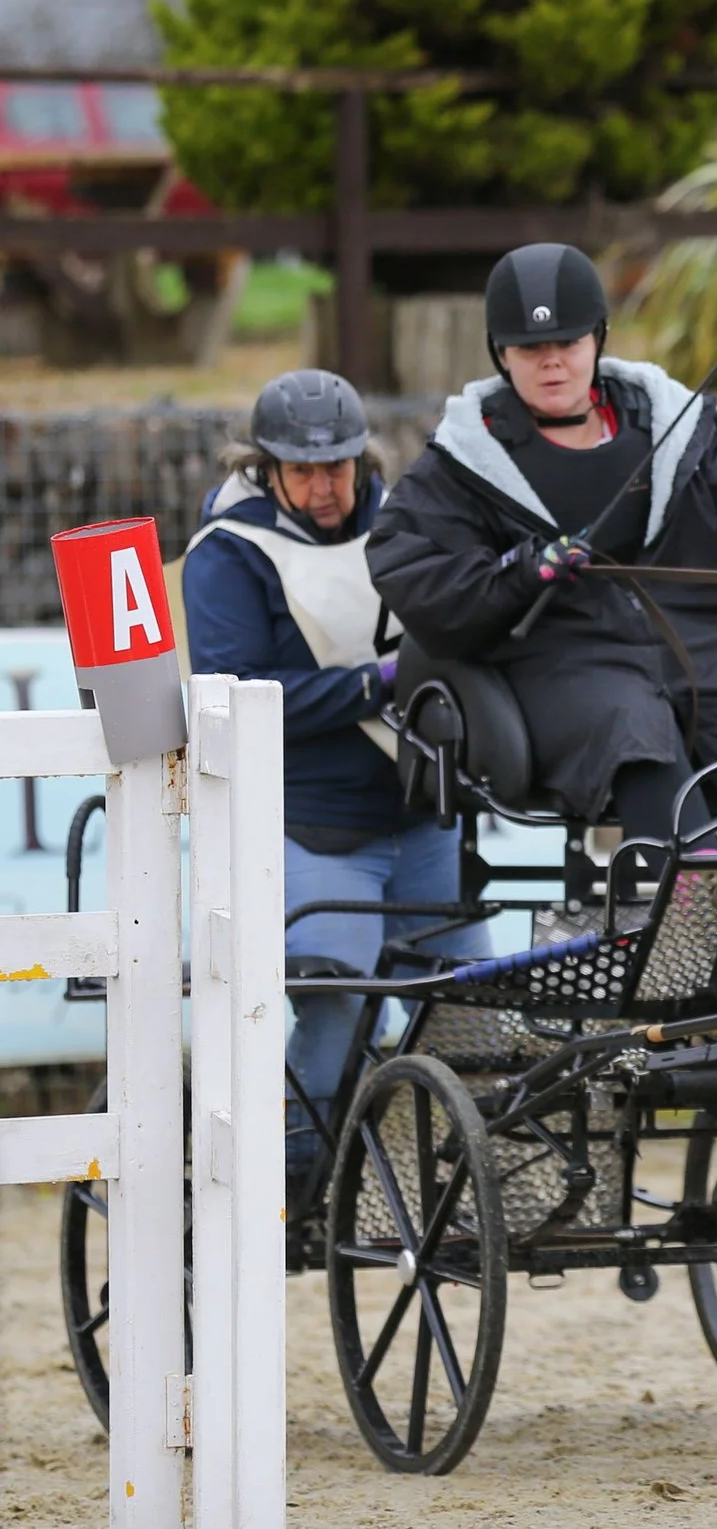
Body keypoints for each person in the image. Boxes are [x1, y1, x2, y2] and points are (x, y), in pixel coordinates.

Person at [367, 244, 717, 870]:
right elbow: (409, 564)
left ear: (598, 338)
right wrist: (522, 572)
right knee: (633, 734)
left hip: (710, 644)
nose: (553, 363)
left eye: (567, 343)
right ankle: (697, 906)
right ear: (500, 354)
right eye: (531, 349)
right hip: (566, 661)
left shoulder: (675, 422)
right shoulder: (463, 462)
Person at [182, 369, 486, 1204]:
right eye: (305, 470)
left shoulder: (405, 523)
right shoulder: (228, 554)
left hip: (425, 819)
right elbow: (239, 691)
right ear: (266, 466)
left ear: (363, 458)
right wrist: (374, 684)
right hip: (315, 829)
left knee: (473, 1016)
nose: (325, 487)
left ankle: (439, 1185)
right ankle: (291, 1185)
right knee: (337, 1012)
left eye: (340, 466)